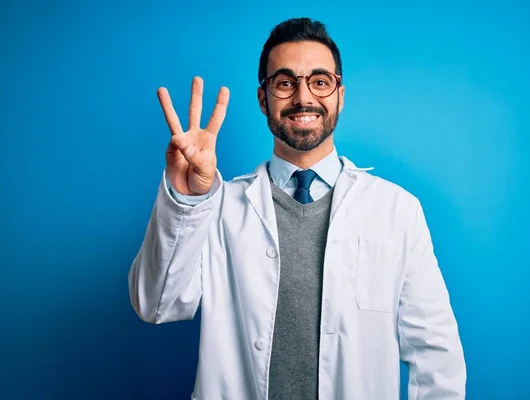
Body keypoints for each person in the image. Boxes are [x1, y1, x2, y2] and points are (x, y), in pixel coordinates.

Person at [128, 17, 466, 400]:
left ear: (340, 95)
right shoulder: (219, 208)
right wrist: (187, 199)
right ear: (263, 99)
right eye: (285, 83)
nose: (304, 98)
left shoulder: (396, 210)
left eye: (320, 82)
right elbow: (154, 304)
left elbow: (436, 353)